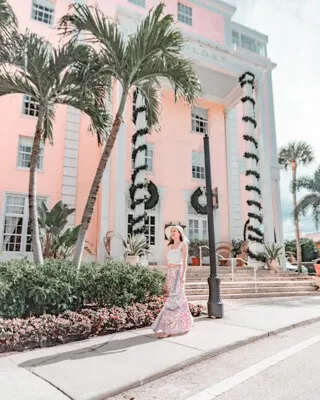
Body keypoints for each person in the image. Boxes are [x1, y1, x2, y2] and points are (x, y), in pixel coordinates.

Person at [152, 225, 193, 338]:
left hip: (178, 273)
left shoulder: (183, 245)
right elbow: (169, 262)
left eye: (175, 231)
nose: (173, 233)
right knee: (180, 299)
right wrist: (167, 276)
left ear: (180, 233)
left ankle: (169, 329)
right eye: (172, 231)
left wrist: (183, 275)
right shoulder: (170, 246)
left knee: (173, 300)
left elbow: (184, 262)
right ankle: (186, 323)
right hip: (170, 273)